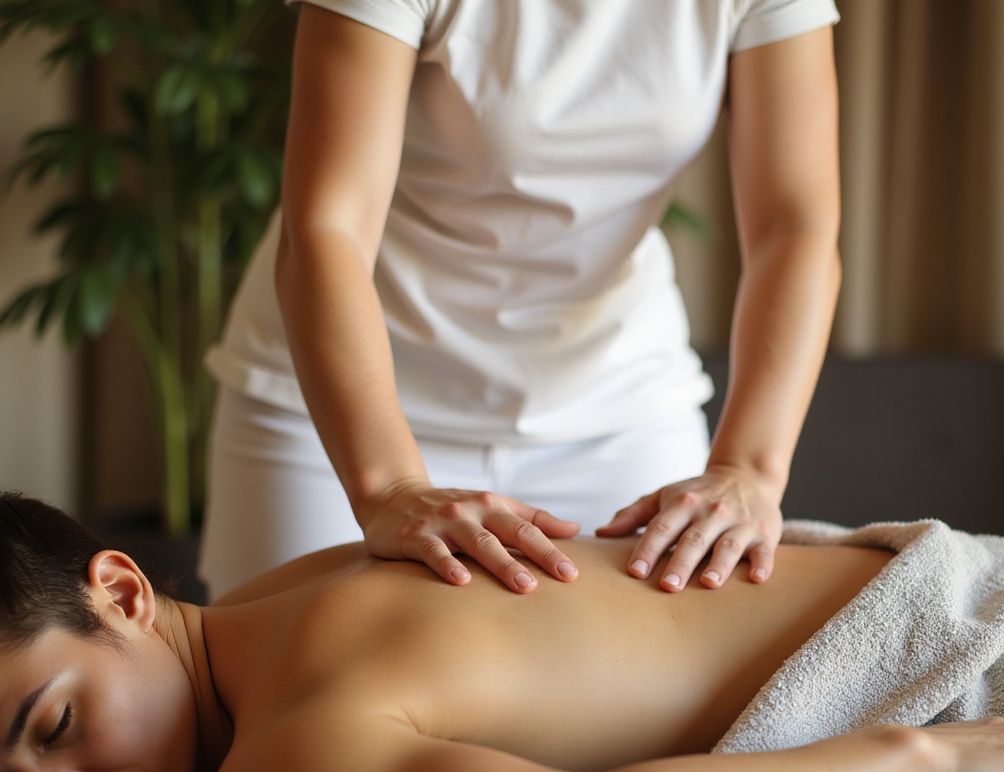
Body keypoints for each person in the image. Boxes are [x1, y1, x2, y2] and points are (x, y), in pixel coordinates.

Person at [3, 492, 1004, 772]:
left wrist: (920, 762)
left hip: (963, 662)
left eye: (52, 727)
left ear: (124, 593)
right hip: (961, 572)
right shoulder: (293, 587)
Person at [199, 0, 843, 600]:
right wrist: (390, 487)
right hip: (340, 413)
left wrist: (748, 470)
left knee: (646, 708)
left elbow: (795, 229)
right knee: (285, 702)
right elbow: (327, 228)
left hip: (613, 404)